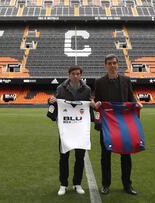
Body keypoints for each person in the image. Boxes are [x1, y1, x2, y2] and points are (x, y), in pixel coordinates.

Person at [93, 54, 141, 195]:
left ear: (118, 64)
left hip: (124, 123)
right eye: (109, 63)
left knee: (126, 154)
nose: (112, 65)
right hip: (107, 124)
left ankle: (127, 185)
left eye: (114, 63)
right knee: (105, 155)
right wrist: (96, 105)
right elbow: (97, 100)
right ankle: (105, 184)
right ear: (105, 65)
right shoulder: (99, 82)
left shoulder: (126, 80)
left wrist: (136, 103)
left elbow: (131, 96)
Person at [48, 65, 93, 196]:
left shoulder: (87, 89)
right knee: (64, 157)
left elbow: (88, 105)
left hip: (80, 128)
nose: (75, 76)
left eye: (78, 74)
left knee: (80, 157)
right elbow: (55, 102)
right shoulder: (60, 88)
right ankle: (63, 184)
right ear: (69, 74)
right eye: (73, 73)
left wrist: (92, 106)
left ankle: (77, 183)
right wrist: (50, 101)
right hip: (66, 128)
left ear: (81, 75)